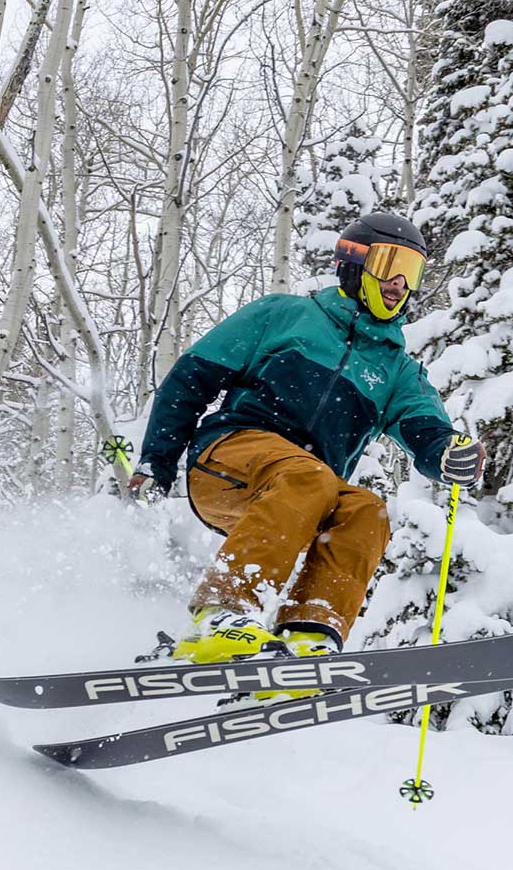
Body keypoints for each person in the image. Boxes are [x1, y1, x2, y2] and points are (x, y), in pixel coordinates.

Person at [130, 211, 485, 666]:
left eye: (411, 271)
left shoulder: (396, 368)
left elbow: (426, 429)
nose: (398, 282)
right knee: (307, 476)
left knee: (364, 510)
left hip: (302, 495)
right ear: (354, 263)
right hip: (230, 459)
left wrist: (448, 452)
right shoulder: (285, 315)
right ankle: (221, 613)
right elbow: (190, 380)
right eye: (389, 264)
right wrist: (156, 465)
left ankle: (308, 634)